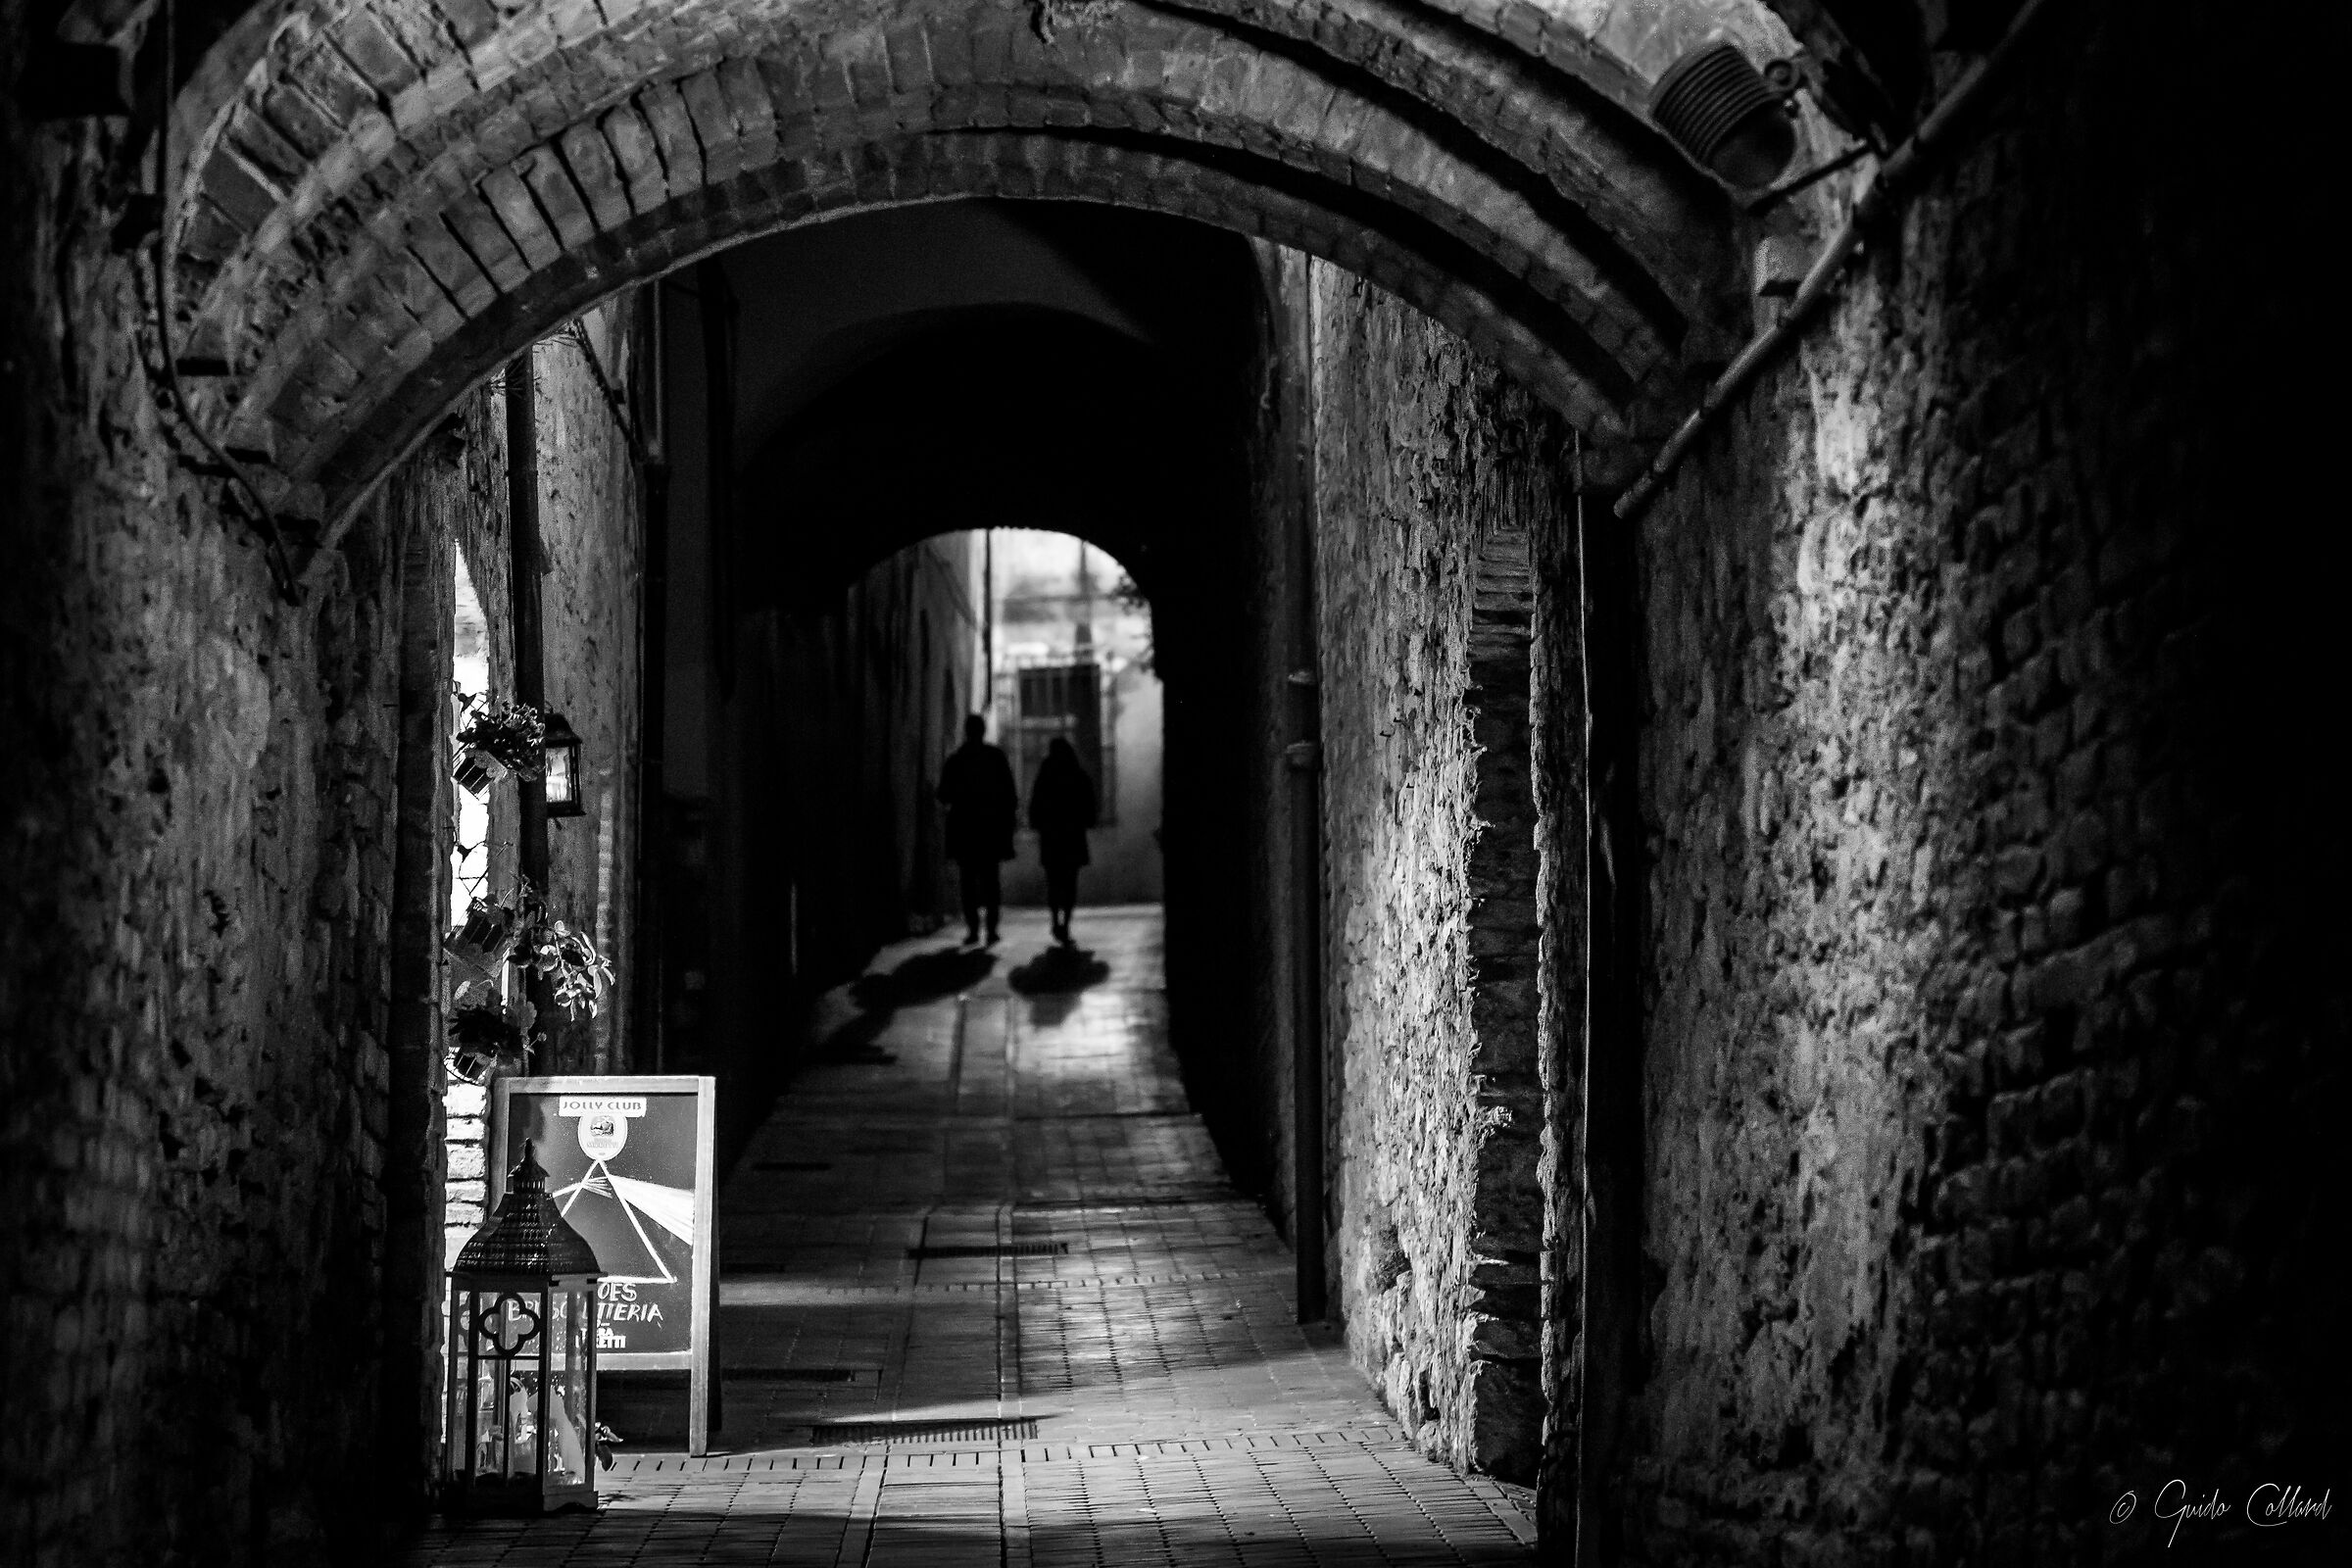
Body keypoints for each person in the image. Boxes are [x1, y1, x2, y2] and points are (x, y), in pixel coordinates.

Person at [937, 714, 1018, 945]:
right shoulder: (995, 758)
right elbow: (1009, 794)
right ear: (983, 731)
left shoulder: (956, 760)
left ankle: (973, 929)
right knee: (991, 881)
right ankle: (991, 929)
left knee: (968, 881)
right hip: (990, 829)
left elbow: (944, 794)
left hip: (965, 829)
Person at [1028, 736, 1099, 946]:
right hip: (1072, 835)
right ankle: (1065, 922)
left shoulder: (1046, 774)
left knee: (1053, 882)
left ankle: (1055, 921)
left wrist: (1038, 823)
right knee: (1069, 882)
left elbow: (1036, 802)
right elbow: (1089, 804)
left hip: (1052, 835)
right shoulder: (1077, 773)